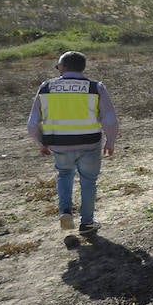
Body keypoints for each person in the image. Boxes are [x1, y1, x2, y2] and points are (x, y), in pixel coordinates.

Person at [27, 51, 118, 236]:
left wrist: (41, 142)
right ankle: (87, 223)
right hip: (89, 143)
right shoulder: (95, 87)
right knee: (89, 182)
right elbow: (109, 118)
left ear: (63, 67)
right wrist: (110, 141)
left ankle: (65, 212)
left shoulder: (46, 87)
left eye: (58, 65)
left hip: (59, 144)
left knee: (64, 175)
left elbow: (32, 123)